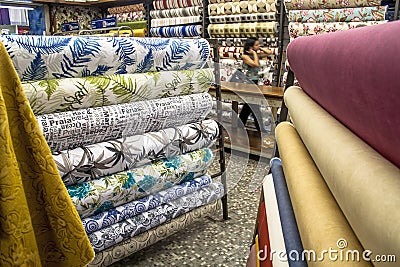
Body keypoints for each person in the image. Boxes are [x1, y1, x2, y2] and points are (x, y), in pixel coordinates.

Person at [239, 38, 274, 132]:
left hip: (254, 82)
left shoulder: (256, 54)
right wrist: (254, 53)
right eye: (256, 45)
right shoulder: (245, 56)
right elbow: (255, 64)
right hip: (248, 82)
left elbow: (269, 53)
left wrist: (260, 48)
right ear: (250, 47)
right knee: (254, 105)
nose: (258, 46)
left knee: (248, 106)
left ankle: (239, 125)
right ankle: (260, 128)